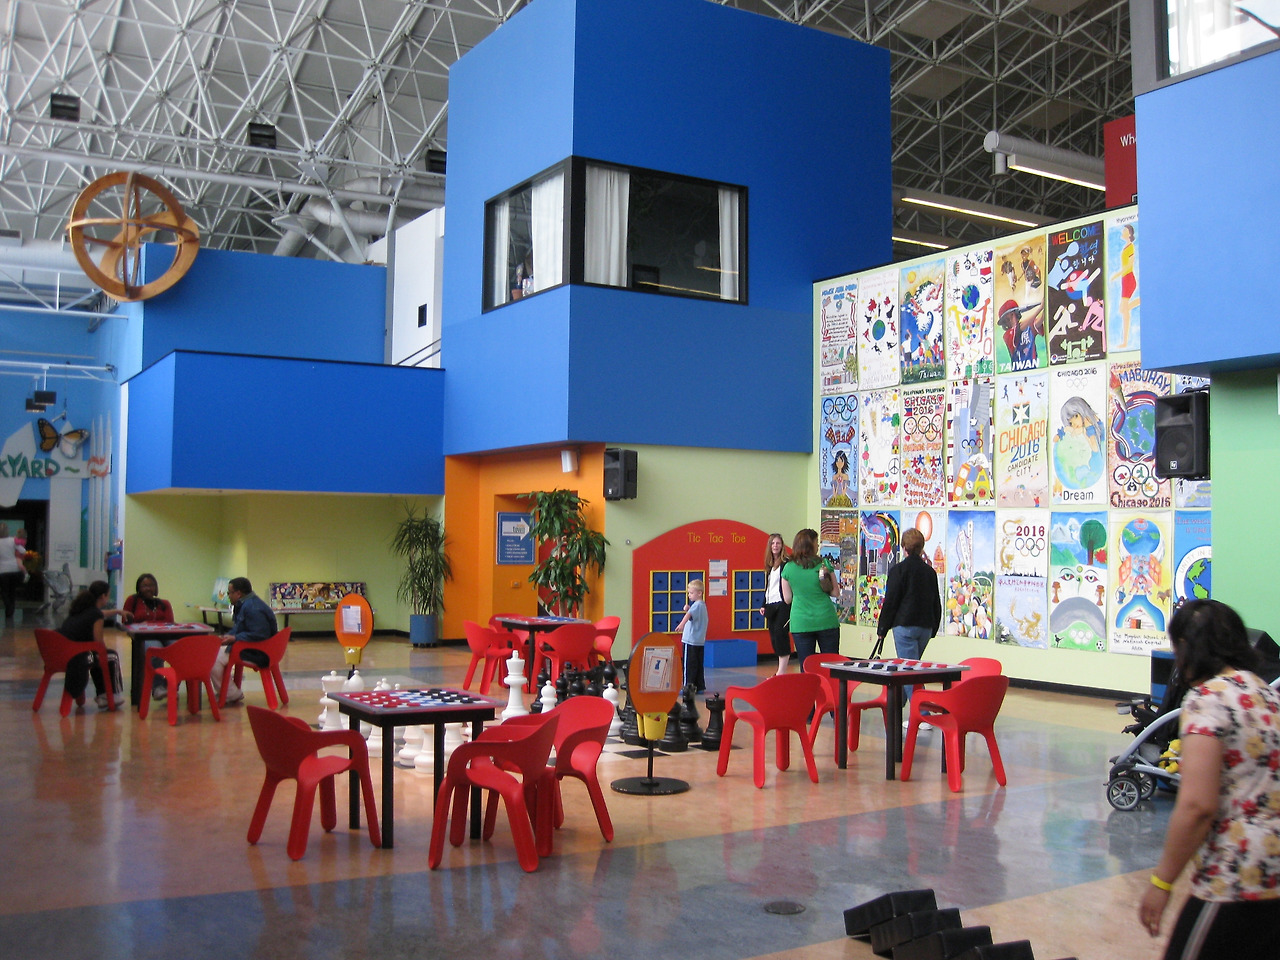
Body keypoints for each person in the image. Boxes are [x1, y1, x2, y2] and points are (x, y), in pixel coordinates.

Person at [1138, 599, 1280, 959]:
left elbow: (1197, 806)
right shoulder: (1267, 695)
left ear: (1187, 648)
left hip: (1235, 876)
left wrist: (1162, 882)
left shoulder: (1208, 701)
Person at [877, 528, 943, 722]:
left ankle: (923, 715)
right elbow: (936, 602)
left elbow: (891, 602)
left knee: (909, 672)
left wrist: (882, 629)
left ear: (904, 547)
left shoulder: (898, 570)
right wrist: (933, 628)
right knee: (911, 668)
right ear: (922, 548)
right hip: (925, 628)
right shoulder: (929, 572)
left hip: (904, 627)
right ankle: (897, 706)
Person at [57, 580, 127, 709]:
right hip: (78, 658)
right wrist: (104, 652)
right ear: (103, 596)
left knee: (98, 657)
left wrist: (117, 611)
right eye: (108, 595)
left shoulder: (80, 610)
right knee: (111, 656)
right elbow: (98, 643)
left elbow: (100, 613)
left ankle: (102, 694)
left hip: (64, 654)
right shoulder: (95, 615)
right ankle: (112, 695)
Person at [210, 577, 279, 704]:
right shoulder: (245, 604)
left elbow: (260, 634)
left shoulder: (253, 608)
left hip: (259, 652)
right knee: (215, 652)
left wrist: (235, 638)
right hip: (253, 648)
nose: (228, 596)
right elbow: (239, 628)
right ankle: (226, 691)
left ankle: (232, 694)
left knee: (212, 658)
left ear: (238, 593)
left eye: (229, 593)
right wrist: (227, 636)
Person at [780, 528, 839, 663]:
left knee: (807, 665)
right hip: (826, 619)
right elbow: (835, 592)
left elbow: (787, 599)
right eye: (816, 542)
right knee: (832, 665)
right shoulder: (824, 564)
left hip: (801, 622)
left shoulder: (788, 568)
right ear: (810, 545)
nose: (818, 545)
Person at [123, 573, 176, 701]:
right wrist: (140, 625)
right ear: (139, 587)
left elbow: (170, 623)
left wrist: (149, 623)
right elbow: (126, 622)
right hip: (144, 636)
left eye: (151, 585)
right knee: (156, 651)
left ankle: (171, 684)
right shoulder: (132, 600)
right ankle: (157, 687)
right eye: (144, 586)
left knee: (180, 650)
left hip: (165, 634)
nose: (148, 588)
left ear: (156, 587)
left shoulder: (164, 604)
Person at [758, 533, 793, 674]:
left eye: (778, 543)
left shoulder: (786, 563)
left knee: (780, 633)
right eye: (773, 543)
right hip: (771, 604)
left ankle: (781, 671)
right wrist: (763, 604)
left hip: (782, 603)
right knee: (773, 635)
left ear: (782, 545)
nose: (775, 546)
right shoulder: (770, 565)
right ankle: (780, 669)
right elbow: (768, 587)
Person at [675, 578, 707, 693]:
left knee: (688, 665)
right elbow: (694, 615)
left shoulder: (696, 605)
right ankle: (699, 686)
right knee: (698, 664)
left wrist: (681, 624)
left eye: (691, 593)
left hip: (690, 641)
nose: (689, 595)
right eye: (689, 593)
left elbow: (689, 615)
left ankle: (687, 687)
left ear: (699, 593)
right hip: (699, 641)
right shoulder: (702, 606)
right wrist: (689, 609)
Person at [0, 521, 26, 620]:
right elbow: (23, 551)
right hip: (14, 569)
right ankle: (11, 610)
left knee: (4, 591)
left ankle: (8, 608)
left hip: (2, 570)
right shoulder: (13, 540)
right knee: (12, 591)